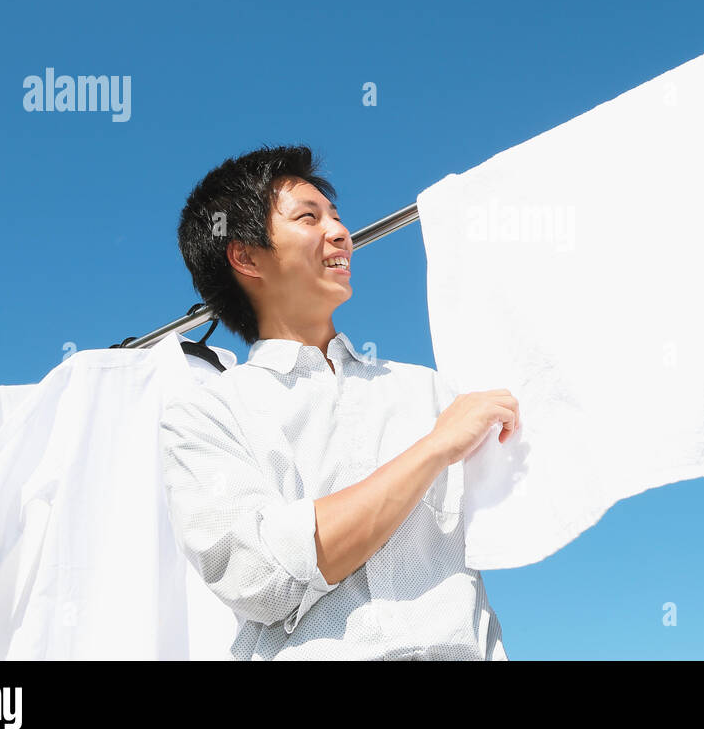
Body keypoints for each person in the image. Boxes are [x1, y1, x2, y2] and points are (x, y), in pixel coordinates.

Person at [159, 145, 518, 659]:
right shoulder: (205, 416)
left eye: (337, 217)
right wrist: (434, 449)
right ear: (245, 256)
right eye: (309, 217)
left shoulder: (430, 391)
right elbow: (262, 577)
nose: (340, 233)